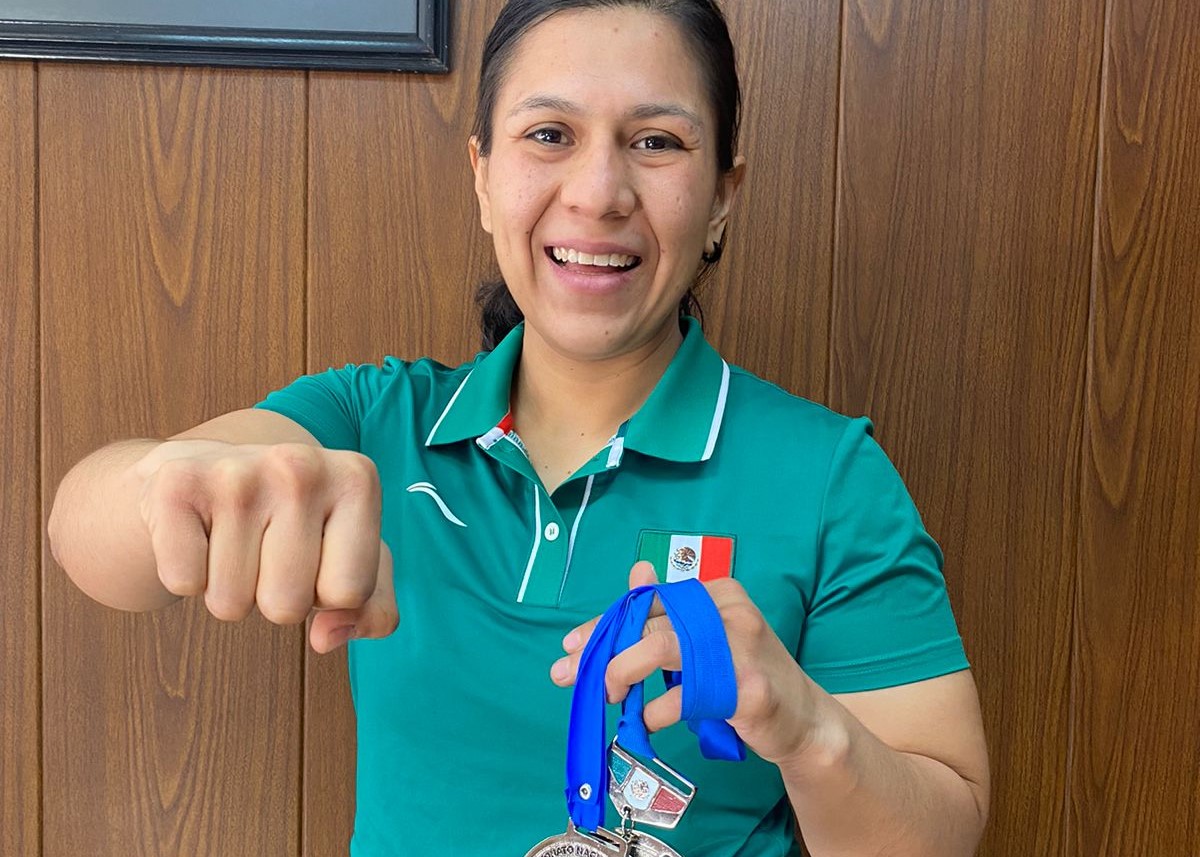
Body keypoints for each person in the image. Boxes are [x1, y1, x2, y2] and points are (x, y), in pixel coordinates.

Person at [48, 0, 990, 854]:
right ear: (483, 176)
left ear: (722, 197)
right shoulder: (374, 418)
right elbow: (88, 532)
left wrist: (808, 727)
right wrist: (171, 485)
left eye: (656, 142)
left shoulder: (831, 477)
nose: (598, 192)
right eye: (549, 134)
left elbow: (941, 831)